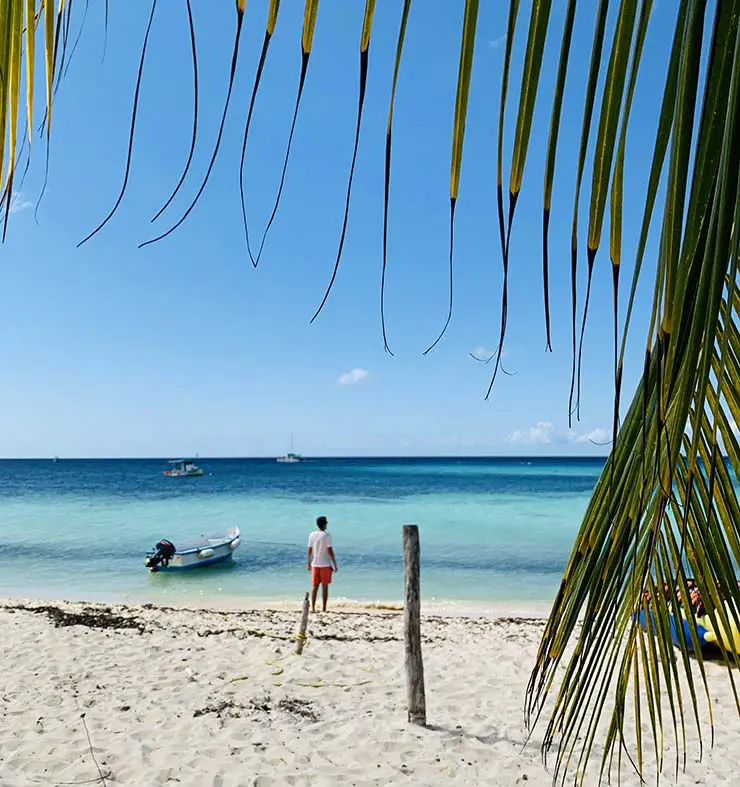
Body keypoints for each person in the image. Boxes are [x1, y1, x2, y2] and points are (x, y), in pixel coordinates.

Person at [307, 515, 338, 612]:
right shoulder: (326, 535)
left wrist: (308, 562)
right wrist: (334, 564)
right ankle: (324, 608)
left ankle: (313, 607)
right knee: (325, 587)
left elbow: (310, 549)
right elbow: (330, 550)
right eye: (326, 522)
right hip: (325, 564)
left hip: (315, 564)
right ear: (324, 524)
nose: (327, 524)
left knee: (315, 587)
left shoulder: (312, 534)